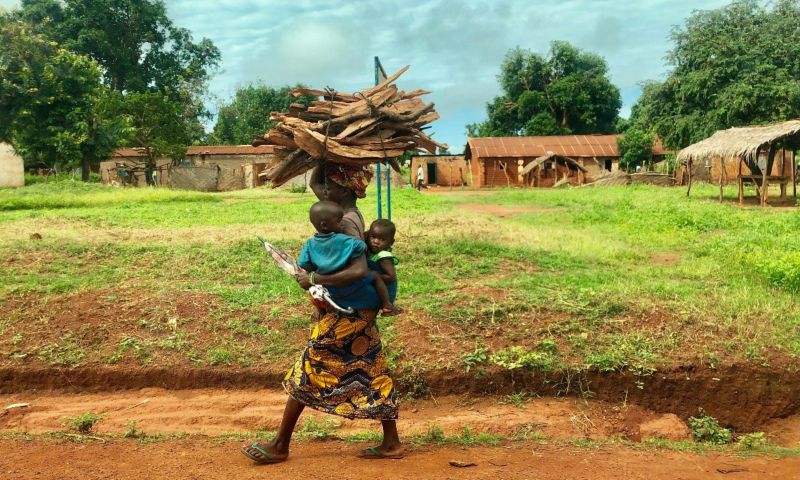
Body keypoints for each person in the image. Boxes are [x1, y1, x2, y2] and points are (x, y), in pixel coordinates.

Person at [242, 163, 401, 465]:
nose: (323, 190)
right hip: (354, 310)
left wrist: (316, 282)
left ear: (344, 190)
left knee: (311, 363)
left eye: (331, 186)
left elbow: (357, 272)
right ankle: (391, 442)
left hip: (348, 313)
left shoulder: (347, 224)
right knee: (370, 369)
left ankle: (279, 444)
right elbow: (317, 186)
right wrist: (319, 155)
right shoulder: (342, 214)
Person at [297, 201, 395, 315]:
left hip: (328, 288)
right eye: (339, 221)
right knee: (374, 275)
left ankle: (321, 312)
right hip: (348, 284)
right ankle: (387, 304)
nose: (343, 224)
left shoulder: (309, 244)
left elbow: (303, 264)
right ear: (324, 225)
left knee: (314, 293)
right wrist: (364, 236)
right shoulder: (345, 241)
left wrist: (309, 276)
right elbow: (361, 246)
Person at [366, 219, 399, 315]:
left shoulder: (384, 256)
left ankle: (387, 306)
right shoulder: (371, 251)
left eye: (382, 239)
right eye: (373, 237)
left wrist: (373, 277)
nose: (376, 241)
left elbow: (391, 276)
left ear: (391, 242)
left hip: (387, 292)